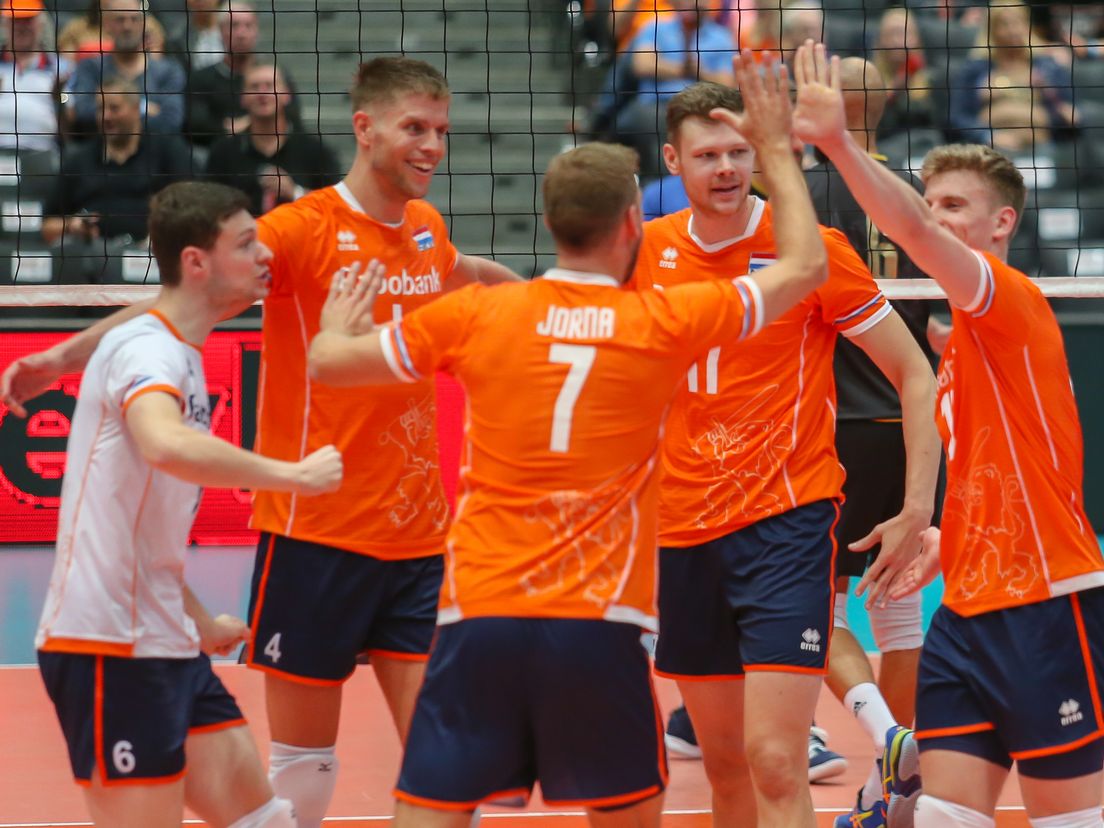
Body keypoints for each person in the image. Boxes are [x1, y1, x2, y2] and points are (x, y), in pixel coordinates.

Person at [305, 51, 828, 828]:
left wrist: (338, 326)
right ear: (631, 225)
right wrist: (777, 151)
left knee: (430, 811)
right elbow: (805, 264)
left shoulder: (479, 315)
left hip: (478, 613)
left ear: (548, 224)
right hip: (598, 623)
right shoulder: (662, 320)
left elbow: (329, 368)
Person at [3, 55, 519, 828]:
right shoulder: (299, 232)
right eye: (415, 128)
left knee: (443, 760)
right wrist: (58, 359)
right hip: (316, 531)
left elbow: (458, 271)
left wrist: (560, 296)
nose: (432, 147)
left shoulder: (425, 228)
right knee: (304, 766)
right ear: (365, 127)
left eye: (441, 131)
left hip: (417, 536)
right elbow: (176, 298)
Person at [795, 39, 1104, 828]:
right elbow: (993, 472)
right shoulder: (957, 342)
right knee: (937, 816)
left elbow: (912, 233)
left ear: (1002, 223)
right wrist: (946, 536)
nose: (935, 220)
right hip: (966, 611)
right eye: (932, 203)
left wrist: (836, 143)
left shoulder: (1008, 299)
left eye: (953, 206)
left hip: (1045, 604)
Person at [636, 77, 941, 828]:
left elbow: (913, 373)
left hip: (787, 522)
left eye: (740, 150)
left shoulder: (809, 249)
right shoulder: (643, 253)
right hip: (681, 529)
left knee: (775, 757)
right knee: (726, 764)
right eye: (707, 154)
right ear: (674, 161)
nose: (726, 168)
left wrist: (917, 506)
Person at [35, 180, 343, 827]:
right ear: (196, 263)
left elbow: (145, 533)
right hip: (109, 648)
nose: (265, 257)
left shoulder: (177, 347)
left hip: (168, 643)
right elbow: (164, 442)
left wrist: (198, 618)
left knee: (268, 823)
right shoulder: (151, 351)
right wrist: (292, 476)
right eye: (245, 243)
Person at [804, 56, 943, 828]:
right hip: (908, 414)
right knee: (898, 605)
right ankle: (901, 777)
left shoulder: (800, 199)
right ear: (887, 101)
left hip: (835, 422)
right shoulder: (907, 194)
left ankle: (883, 740)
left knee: (806, 600)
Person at [42, 78, 191, 247]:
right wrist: (72, 226)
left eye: (114, 108)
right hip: (91, 253)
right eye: (100, 109)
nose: (106, 116)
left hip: (154, 252)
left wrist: (164, 235)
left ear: (135, 109)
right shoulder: (78, 159)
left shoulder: (168, 149)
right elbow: (47, 226)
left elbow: (189, 211)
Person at [204, 62, 341, 216]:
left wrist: (295, 192)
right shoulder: (223, 152)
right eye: (254, 87)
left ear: (287, 95)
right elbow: (208, 210)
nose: (262, 93)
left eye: (270, 85)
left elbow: (336, 208)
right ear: (243, 98)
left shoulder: (316, 151)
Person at [185, 0, 302, 146]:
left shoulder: (275, 75)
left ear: (256, 32)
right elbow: (196, 125)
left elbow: (293, 117)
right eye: (234, 26)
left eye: (248, 26)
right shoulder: (201, 79)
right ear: (220, 32)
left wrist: (247, 122)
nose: (241, 33)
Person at [65, 0, 186, 135]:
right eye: (119, 19)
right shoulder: (91, 68)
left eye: (134, 19)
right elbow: (84, 114)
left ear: (144, 24)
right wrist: (143, 108)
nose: (127, 26)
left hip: (155, 151)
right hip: (101, 151)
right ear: (106, 25)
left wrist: (109, 111)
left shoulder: (169, 71)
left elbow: (171, 123)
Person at [0, 0, 73, 152]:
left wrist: (59, 98)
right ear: (4, 24)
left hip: (42, 153)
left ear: (40, 24)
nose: (21, 27)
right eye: (16, 20)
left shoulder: (61, 68)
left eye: (28, 20)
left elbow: (70, 130)